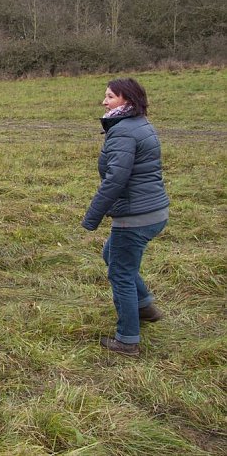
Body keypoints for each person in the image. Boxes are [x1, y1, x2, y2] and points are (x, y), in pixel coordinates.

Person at [82, 77, 169, 357]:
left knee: (120, 273)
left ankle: (127, 340)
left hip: (135, 216)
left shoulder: (123, 132)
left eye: (110, 96)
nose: (104, 101)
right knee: (112, 254)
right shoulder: (140, 124)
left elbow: (115, 180)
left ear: (127, 100)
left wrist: (92, 216)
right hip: (154, 211)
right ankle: (145, 307)